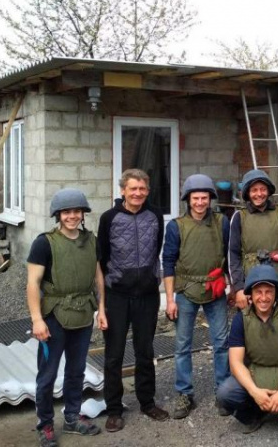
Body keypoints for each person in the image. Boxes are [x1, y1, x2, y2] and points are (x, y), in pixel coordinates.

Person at [27, 189, 105, 447]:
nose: (72, 216)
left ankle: (72, 417)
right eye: (66, 212)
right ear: (58, 215)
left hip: (83, 313)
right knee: (47, 374)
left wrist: (101, 308)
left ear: (83, 214)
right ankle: (45, 424)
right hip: (54, 317)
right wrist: (37, 319)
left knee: (76, 370)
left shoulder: (91, 241)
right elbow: (32, 283)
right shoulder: (44, 243)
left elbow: (98, 276)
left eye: (76, 211)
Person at [97, 169, 169, 432]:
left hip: (147, 296)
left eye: (142, 189)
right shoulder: (109, 218)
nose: (137, 193)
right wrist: (101, 304)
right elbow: (101, 258)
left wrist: (151, 277)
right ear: (122, 191)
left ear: (147, 191)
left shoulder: (156, 216)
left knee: (145, 351)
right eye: (132, 189)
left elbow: (157, 248)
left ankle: (147, 403)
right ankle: (114, 409)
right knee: (114, 355)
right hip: (117, 295)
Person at [216, 264, 278, 433]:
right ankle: (254, 413)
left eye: (268, 291)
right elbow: (235, 363)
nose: (264, 298)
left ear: (275, 293)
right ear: (251, 294)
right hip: (255, 372)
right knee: (225, 393)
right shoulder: (241, 319)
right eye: (258, 292)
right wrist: (254, 392)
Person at [163, 174, 231, 419]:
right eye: (196, 198)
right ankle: (184, 393)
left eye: (204, 198)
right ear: (188, 200)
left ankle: (223, 391)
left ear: (210, 199)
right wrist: (170, 299)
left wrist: (232, 287)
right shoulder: (176, 226)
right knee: (182, 346)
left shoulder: (222, 222)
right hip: (186, 291)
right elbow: (168, 263)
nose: (200, 202)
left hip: (215, 290)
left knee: (221, 343)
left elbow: (229, 256)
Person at [228, 169, 278, 309]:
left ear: (268, 191)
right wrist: (238, 288)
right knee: (252, 327)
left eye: (262, 189)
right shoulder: (239, 217)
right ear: (247, 193)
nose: (259, 194)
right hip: (250, 283)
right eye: (254, 190)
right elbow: (233, 256)